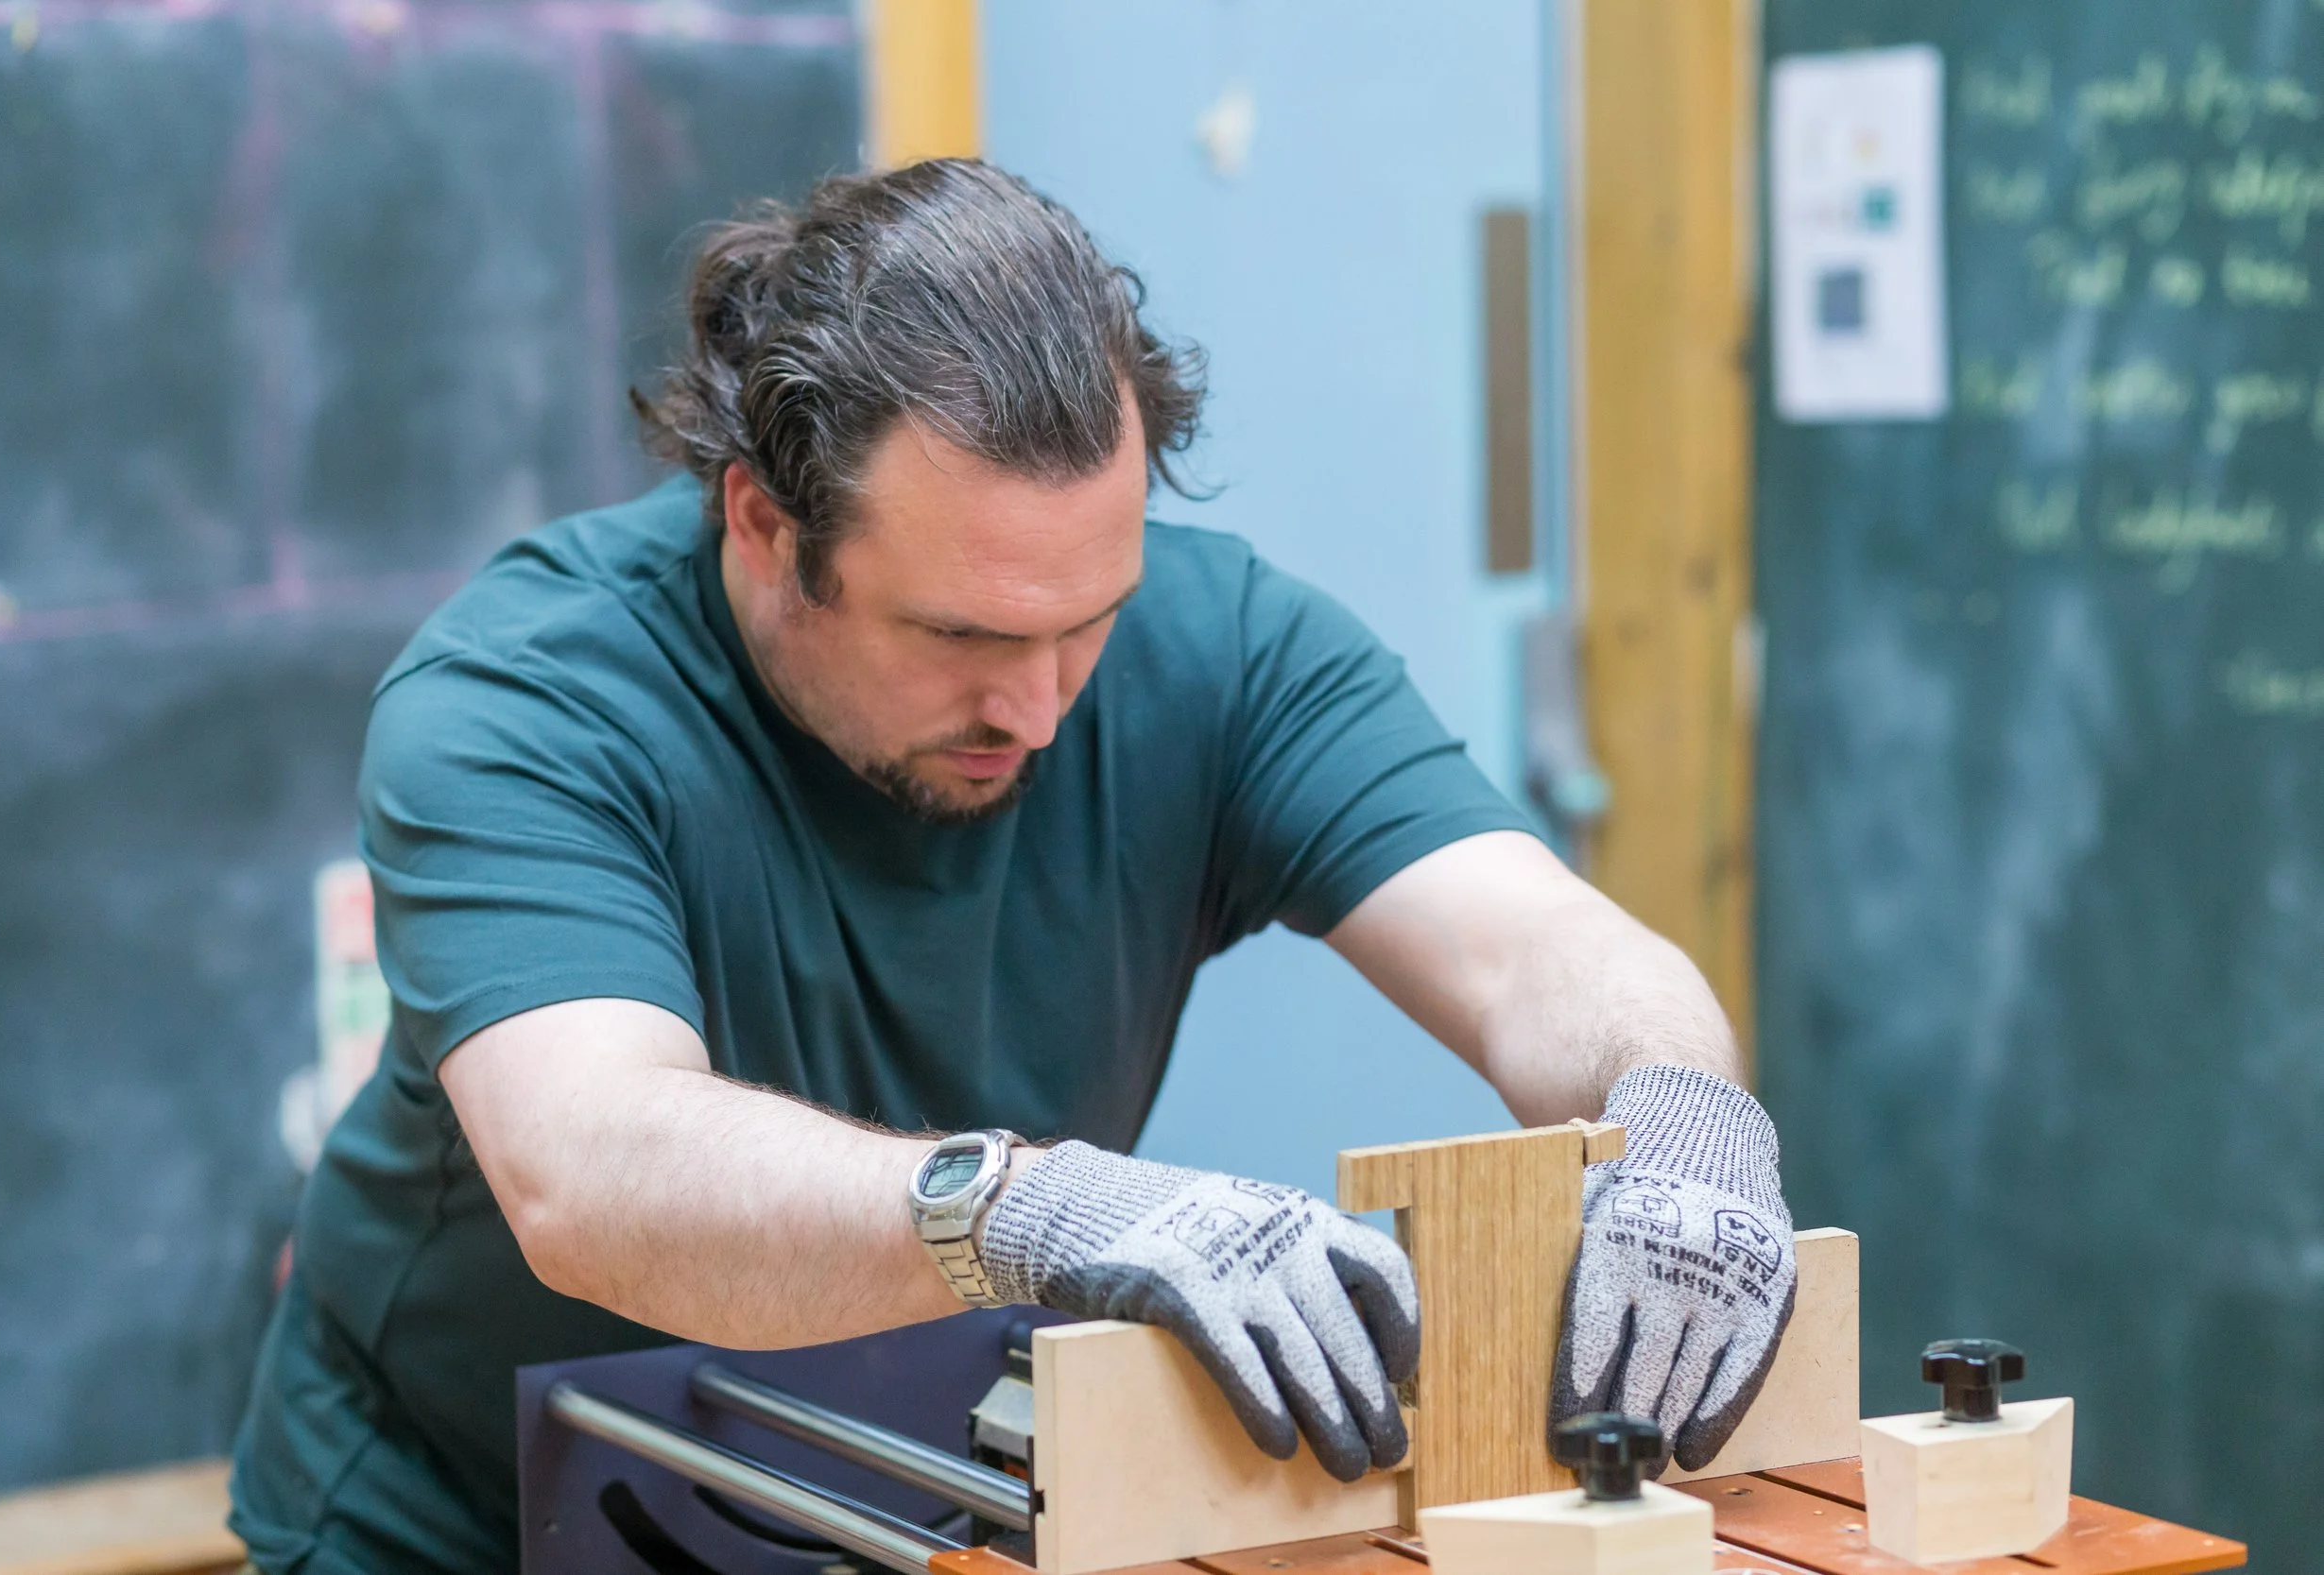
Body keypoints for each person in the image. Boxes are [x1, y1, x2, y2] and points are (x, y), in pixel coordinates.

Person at [229, 160, 1794, 1575]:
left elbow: (1532, 947)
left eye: (1088, 615)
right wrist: (1031, 1209)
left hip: (908, 1488)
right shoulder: (529, 698)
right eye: (961, 635)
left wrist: (1682, 1103)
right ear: (765, 528)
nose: (1039, 706)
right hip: (464, 1509)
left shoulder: (1222, 647)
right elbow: (594, 1170)